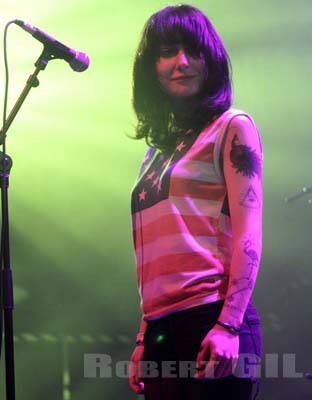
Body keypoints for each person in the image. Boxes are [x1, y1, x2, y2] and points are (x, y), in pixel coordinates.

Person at [127, 5, 263, 399]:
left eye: (193, 51)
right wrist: (143, 336)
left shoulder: (232, 127)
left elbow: (248, 235)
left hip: (213, 317)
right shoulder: (155, 152)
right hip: (161, 330)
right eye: (168, 51)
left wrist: (229, 326)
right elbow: (155, 258)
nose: (181, 62)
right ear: (151, 67)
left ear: (211, 60)